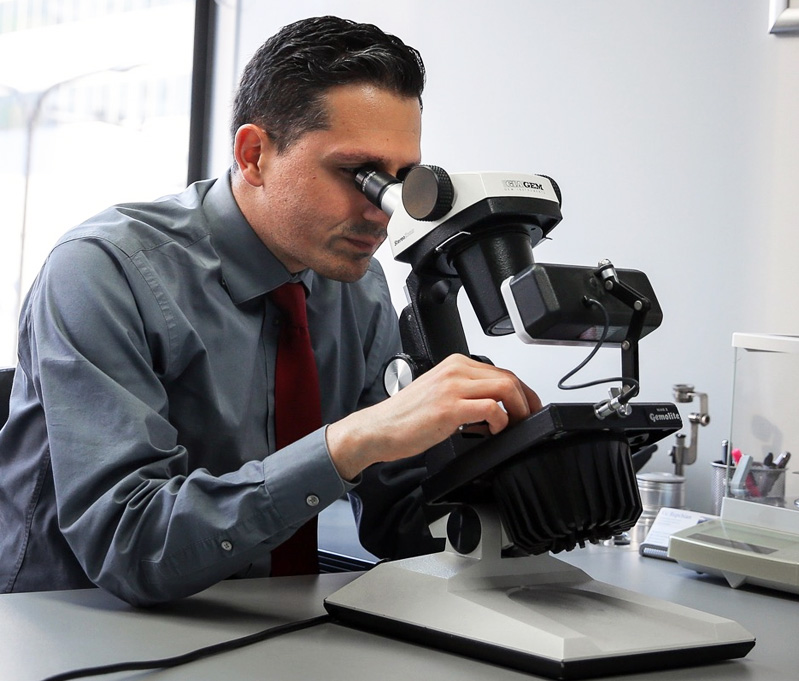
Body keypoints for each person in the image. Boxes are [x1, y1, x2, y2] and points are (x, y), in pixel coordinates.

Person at [0, 16, 540, 607]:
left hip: (266, 621)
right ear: (254, 155)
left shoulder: (358, 288)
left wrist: (515, 474)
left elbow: (398, 520)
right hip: (70, 626)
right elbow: (130, 545)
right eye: (356, 174)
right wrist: (348, 443)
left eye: (402, 179)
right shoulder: (103, 272)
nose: (385, 210)